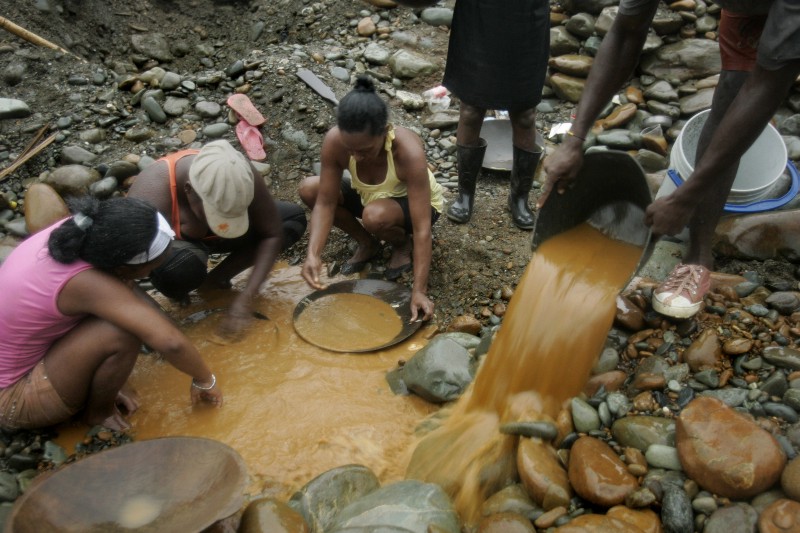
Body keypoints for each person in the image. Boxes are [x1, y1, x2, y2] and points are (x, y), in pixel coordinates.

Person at [540, 0, 800, 319]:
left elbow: (768, 85)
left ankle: (698, 257)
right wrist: (574, 139)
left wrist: (686, 197)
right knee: (730, 95)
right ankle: (698, 254)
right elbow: (624, 35)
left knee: (752, 87)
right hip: (749, 10)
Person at [0, 196, 223, 432]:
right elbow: (171, 343)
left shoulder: (83, 230)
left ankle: (98, 380)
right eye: (152, 267)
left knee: (121, 312)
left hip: (23, 358)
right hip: (11, 396)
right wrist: (205, 380)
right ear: (121, 268)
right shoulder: (86, 284)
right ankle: (99, 414)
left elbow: (126, 294)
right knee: (122, 331)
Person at [127, 139, 307, 339]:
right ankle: (180, 293)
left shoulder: (238, 174)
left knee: (291, 221)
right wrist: (163, 324)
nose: (224, 226)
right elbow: (119, 277)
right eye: (217, 215)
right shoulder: (149, 199)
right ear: (189, 191)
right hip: (175, 252)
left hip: (216, 242)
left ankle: (215, 280)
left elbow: (272, 234)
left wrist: (245, 298)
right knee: (181, 267)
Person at [299, 75, 444, 322]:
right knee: (309, 188)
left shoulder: (407, 151)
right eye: (350, 149)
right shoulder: (335, 142)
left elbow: (422, 229)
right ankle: (368, 243)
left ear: (385, 133)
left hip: (415, 207)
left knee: (374, 216)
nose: (355, 157)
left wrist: (419, 291)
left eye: (364, 150)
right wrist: (313, 253)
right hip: (371, 198)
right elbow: (325, 202)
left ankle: (400, 244)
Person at [443, 0, 550, 230]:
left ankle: (519, 198)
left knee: (525, 113)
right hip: (478, 14)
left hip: (527, 15)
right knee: (471, 108)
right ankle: (465, 195)